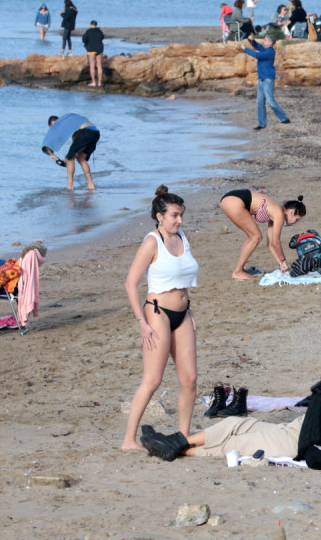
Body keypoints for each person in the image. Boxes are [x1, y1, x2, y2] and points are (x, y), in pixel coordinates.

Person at [139, 347, 321, 469]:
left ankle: (177, 450)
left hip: (295, 441)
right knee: (237, 423)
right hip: (294, 430)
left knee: (233, 445)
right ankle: (176, 441)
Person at [121, 186, 199, 453]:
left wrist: (189, 312)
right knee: (153, 380)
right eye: (175, 216)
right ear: (159, 216)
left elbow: (183, 280)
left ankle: (184, 434)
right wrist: (141, 322)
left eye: (181, 215)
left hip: (183, 313)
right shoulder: (152, 242)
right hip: (157, 313)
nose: (179, 220)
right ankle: (128, 440)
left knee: (189, 379)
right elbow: (131, 284)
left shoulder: (183, 237)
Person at [218, 190, 306, 279]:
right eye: (297, 219)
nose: (296, 223)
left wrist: (281, 264)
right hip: (234, 201)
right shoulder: (279, 213)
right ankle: (238, 271)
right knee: (256, 237)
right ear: (291, 212)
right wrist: (284, 261)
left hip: (230, 200)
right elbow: (276, 242)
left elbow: (271, 244)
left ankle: (239, 270)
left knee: (254, 237)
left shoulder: (275, 213)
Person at [242, 33, 290, 130]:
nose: (263, 41)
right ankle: (262, 124)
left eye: (265, 40)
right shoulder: (265, 48)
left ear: (270, 43)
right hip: (261, 79)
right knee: (260, 102)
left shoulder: (270, 51)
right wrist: (251, 40)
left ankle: (284, 118)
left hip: (268, 80)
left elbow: (258, 55)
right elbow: (258, 46)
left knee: (270, 101)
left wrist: (245, 49)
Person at [42, 113, 100, 190]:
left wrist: (53, 155)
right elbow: (75, 139)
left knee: (69, 159)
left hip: (87, 132)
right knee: (81, 159)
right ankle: (91, 185)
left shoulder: (63, 123)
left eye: (53, 127)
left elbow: (48, 142)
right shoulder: (70, 121)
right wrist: (73, 153)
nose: (55, 129)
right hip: (96, 133)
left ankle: (70, 187)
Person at [82, 20, 105, 87]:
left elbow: (84, 39)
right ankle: (100, 82)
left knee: (92, 66)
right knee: (99, 66)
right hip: (99, 49)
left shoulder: (88, 31)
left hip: (91, 49)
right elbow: (102, 37)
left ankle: (94, 82)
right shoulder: (99, 31)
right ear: (96, 25)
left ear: (90, 25)